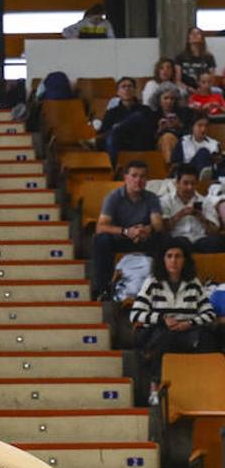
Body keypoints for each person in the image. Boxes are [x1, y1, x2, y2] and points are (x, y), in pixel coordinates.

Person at [129, 242, 217, 405]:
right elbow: (135, 315)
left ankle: (206, 388)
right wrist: (162, 319)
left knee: (207, 339)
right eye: (169, 256)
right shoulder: (152, 282)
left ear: (185, 260)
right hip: (161, 331)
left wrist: (190, 323)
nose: (173, 261)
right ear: (163, 260)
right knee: (165, 338)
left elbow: (209, 314)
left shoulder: (194, 283)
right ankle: (155, 387)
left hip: (188, 331)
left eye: (178, 256)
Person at [92, 160, 166, 300]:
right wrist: (126, 231)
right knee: (101, 239)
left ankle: (160, 288)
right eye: (134, 175)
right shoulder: (113, 197)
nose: (138, 180)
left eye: (143, 176)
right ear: (126, 178)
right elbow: (100, 226)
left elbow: (158, 224)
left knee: (163, 237)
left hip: (143, 238)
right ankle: (103, 290)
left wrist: (146, 229)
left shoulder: (151, 197)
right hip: (121, 239)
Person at [163, 164, 225, 253]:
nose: (190, 187)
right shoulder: (166, 201)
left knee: (217, 242)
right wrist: (181, 214)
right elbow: (163, 228)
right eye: (186, 183)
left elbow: (214, 231)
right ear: (177, 182)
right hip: (178, 239)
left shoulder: (205, 202)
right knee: (179, 243)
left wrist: (201, 217)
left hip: (201, 240)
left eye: (193, 184)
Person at [90, 78, 150, 164]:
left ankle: (115, 129)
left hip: (138, 142)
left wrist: (118, 127)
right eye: (123, 87)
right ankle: (114, 169)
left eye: (130, 86)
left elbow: (148, 130)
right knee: (111, 137)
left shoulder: (145, 109)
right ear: (118, 92)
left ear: (135, 90)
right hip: (119, 144)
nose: (127, 89)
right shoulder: (111, 112)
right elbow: (103, 131)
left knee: (138, 116)